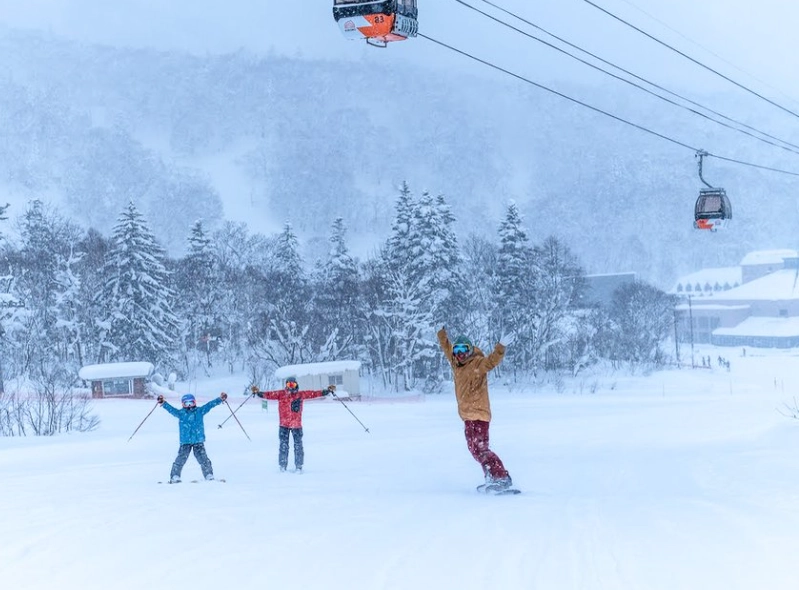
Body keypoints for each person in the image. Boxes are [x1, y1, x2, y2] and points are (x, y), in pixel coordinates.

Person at [437, 327, 514, 491]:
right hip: (467, 416)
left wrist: (501, 346)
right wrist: (440, 332)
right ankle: (491, 475)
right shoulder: (456, 364)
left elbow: (492, 361)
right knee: (474, 449)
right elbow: (445, 346)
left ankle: (500, 477)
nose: (460, 353)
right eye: (457, 350)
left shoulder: (478, 363)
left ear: (470, 350)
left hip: (479, 413)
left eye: (463, 349)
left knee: (480, 448)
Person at [251, 377, 334, 473]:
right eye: (289, 385)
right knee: (283, 446)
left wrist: (326, 391)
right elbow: (268, 395)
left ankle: (299, 466)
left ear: (296, 384)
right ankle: (282, 466)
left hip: (297, 425)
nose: (291, 387)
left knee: (298, 446)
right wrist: (258, 393)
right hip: (284, 425)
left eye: (293, 384)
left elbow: (314, 393)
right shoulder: (281, 394)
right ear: (286, 385)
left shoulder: (300, 395)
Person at [157, 392, 227, 483]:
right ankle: (175, 476)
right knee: (180, 459)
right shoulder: (181, 413)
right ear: (183, 404)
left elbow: (210, 405)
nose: (189, 405)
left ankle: (209, 474)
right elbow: (171, 410)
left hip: (198, 440)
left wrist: (220, 399)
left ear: (195, 402)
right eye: (187, 403)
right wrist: (163, 403)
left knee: (203, 459)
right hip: (185, 441)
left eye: (191, 403)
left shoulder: (200, 411)